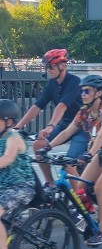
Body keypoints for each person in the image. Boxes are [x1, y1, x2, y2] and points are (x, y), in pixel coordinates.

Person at [44, 75, 102, 246]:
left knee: (100, 187)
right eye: (81, 91)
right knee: (80, 188)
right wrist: (48, 146)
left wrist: (89, 154)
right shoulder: (84, 111)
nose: (83, 94)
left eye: (87, 91)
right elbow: (68, 131)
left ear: (99, 92)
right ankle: (91, 220)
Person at [14, 49, 89, 186]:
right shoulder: (52, 84)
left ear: (62, 66)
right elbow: (38, 106)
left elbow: (62, 105)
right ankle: (50, 183)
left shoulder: (74, 82)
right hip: (65, 125)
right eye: (46, 67)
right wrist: (18, 126)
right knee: (38, 145)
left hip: (82, 127)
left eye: (51, 66)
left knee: (68, 162)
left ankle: (82, 200)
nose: (48, 70)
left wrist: (50, 126)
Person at [0, 100, 36, 249]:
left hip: (21, 187)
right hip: (4, 187)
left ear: (9, 122)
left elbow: (7, 159)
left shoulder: (13, 138)